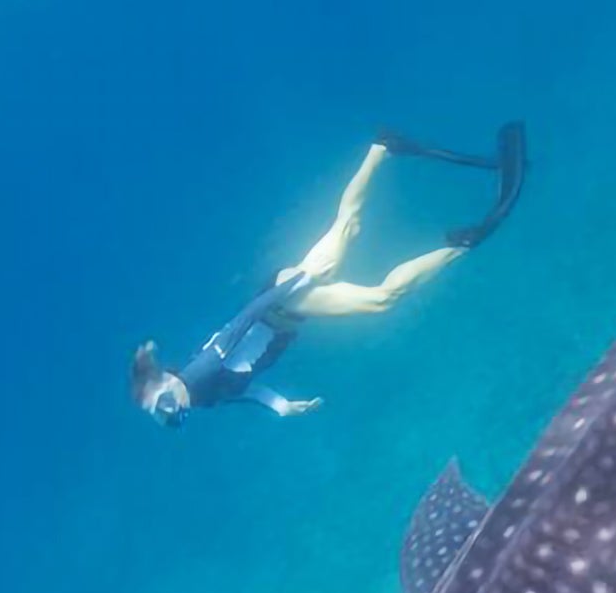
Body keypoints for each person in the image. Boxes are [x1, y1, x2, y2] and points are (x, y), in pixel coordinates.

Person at [131, 122, 526, 426]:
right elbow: (243, 392)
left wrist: (300, 281)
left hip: (284, 300)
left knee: (380, 299)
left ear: (169, 380)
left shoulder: (201, 370)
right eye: (162, 416)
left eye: (163, 402)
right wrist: (280, 407)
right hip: (286, 303)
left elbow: (246, 317)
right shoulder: (201, 395)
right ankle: (382, 148)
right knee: (346, 230)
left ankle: (464, 242)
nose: (168, 412)